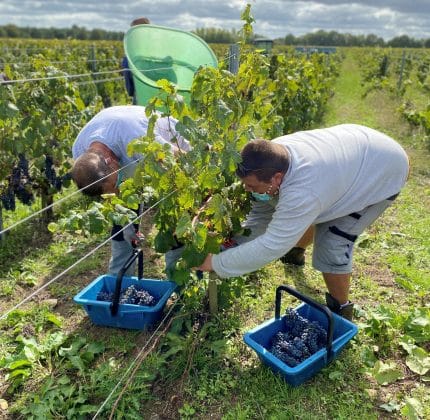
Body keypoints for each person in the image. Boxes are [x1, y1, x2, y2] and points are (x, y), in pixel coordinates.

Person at [194, 124, 409, 320]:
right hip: (358, 148)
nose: (247, 190)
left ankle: (341, 313)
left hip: (384, 169)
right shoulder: (271, 156)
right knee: (301, 214)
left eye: (251, 186)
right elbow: (260, 216)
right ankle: (295, 252)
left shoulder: (303, 192)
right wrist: (231, 245)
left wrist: (215, 263)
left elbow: (272, 246)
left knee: (332, 241)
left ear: (276, 178)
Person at [71, 105, 190, 276]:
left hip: (172, 144)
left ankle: (179, 282)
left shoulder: (138, 139)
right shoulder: (80, 155)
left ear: (110, 161)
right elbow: (109, 192)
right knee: (121, 228)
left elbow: (180, 159)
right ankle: (120, 283)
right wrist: (126, 224)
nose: (115, 191)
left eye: (115, 184)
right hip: (128, 154)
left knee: (175, 221)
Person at [121, 17, 151, 104]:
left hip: (140, 95)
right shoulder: (156, 45)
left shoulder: (132, 51)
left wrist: (130, 91)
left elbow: (127, 73)